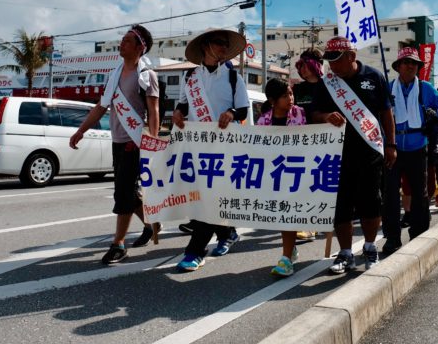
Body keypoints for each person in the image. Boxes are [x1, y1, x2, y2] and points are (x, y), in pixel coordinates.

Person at [69, 25, 160, 265]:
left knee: (122, 192)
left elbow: (154, 110)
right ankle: (151, 225)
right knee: (128, 191)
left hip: (134, 141)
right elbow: (101, 107)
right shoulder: (114, 73)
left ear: (141, 47)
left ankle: (118, 244)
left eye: (128, 41)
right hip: (117, 140)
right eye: (122, 40)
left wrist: (150, 142)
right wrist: (80, 130)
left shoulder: (146, 75)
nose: (122, 44)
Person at [311, 37, 396, 273]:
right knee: (341, 205)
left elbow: (386, 113)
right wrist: (326, 117)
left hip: (369, 152)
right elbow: (314, 114)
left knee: (371, 201)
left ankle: (370, 247)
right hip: (336, 154)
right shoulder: (326, 83)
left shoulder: (374, 77)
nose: (333, 66)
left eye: (337, 60)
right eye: (329, 61)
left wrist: (391, 144)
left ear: (352, 56)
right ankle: (346, 253)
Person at [171, 28, 249, 272]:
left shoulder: (233, 77)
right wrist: (177, 113)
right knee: (202, 198)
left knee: (210, 197)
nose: (224, 48)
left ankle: (194, 252)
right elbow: (183, 105)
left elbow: (244, 110)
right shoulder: (191, 77)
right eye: (219, 43)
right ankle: (227, 233)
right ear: (206, 46)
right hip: (196, 147)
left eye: (226, 44)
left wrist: (231, 113)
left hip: (223, 148)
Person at [382, 47, 438, 255]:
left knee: (420, 194)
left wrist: (436, 118)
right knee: (390, 195)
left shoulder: (426, 88)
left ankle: (418, 234)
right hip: (392, 147)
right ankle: (392, 238)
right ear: (398, 66)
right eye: (406, 62)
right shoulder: (388, 87)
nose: (410, 66)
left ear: (418, 67)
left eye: (414, 63)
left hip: (418, 145)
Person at [257, 78, 306, 277]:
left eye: (291, 94)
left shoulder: (301, 114)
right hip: (274, 176)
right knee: (281, 215)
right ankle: (291, 249)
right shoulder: (263, 121)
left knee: (288, 215)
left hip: (296, 173)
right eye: (285, 95)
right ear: (272, 100)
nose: (291, 98)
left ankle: (286, 259)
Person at [292, 48, 324, 242]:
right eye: (299, 66)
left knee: (317, 184)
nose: (301, 69)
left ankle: (314, 223)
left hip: (324, 143)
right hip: (301, 143)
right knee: (302, 184)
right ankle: (305, 223)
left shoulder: (329, 86)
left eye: (304, 65)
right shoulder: (297, 90)